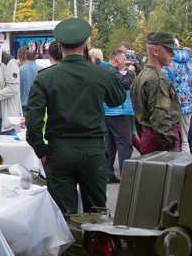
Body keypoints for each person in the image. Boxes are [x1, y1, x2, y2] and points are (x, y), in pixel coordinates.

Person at [24, 18, 125, 215]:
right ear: (85, 46)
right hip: (92, 150)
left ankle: (68, 246)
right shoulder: (100, 74)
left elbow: (33, 121)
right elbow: (117, 99)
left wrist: (41, 150)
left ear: (59, 47)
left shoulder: (46, 77)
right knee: (96, 214)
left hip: (59, 150)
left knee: (63, 216)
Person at [131, 32, 182, 155]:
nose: (173, 54)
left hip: (150, 138)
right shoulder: (157, 79)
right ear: (155, 51)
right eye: (169, 50)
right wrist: (173, 146)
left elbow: (138, 117)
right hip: (161, 144)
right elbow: (160, 119)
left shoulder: (141, 76)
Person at [103, 49, 136, 182]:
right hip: (119, 112)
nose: (125, 61)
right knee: (124, 145)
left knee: (109, 145)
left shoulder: (104, 70)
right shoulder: (112, 71)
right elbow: (125, 84)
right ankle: (127, 177)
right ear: (116, 60)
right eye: (123, 59)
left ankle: (108, 174)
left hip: (107, 112)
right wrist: (131, 72)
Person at [163, 45, 192, 153]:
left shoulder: (169, 62)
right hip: (188, 103)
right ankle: (187, 164)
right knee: (185, 139)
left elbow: (165, 83)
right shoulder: (191, 62)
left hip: (173, 104)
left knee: (173, 136)